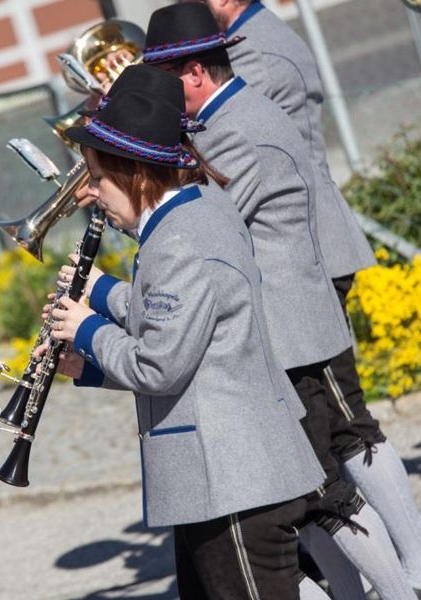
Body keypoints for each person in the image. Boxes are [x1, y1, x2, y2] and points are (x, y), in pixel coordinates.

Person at [140, 4, 418, 599]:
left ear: (193, 73)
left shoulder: (236, 125)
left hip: (295, 327)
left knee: (333, 468)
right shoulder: (222, 119)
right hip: (285, 324)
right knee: (313, 484)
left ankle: (404, 583)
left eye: (162, 80)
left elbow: (209, 224)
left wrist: (135, 180)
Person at [44, 85, 328, 599]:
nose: (94, 193)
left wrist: (86, 327)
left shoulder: (179, 243)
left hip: (232, 478)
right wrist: (85, 359)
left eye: (101, 179)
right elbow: (183, 333)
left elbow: (159, 366)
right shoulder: (199, 207)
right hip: (227, 473)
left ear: (136, 173)